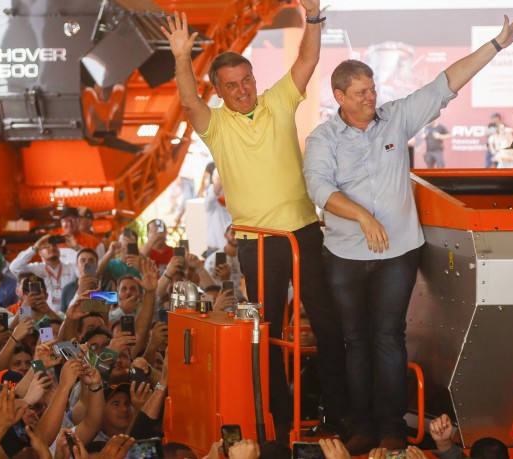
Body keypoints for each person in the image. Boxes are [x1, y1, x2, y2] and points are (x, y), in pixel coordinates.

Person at [303, 15, 513, 454]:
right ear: (340, 96)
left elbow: (447, 82)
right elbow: (319, 189)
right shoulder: (322, 138)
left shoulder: (396, 117)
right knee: (355, 339)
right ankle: (360, 425)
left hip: (399, 251)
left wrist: (497, 44)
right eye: (362, 92)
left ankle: (389, 428)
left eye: (373, 89)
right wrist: (363, 218)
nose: (372, 98)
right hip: (346, 253)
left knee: (387, 337)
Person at [162, 0, 349, 440]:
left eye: (246, 80)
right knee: (264, 332)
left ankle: (337, 416)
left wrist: (315, 15)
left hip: (305, 231)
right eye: (232, 85)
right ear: (221, 91)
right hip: (258, 241)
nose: (242, 89)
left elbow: (308, 59)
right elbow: (188, 101)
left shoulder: (278, 99)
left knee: (328, 323)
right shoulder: (217, 126)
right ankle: (277, 422)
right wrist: (181, 57)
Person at [9, 234, 78, 312]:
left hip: (69, 315)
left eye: (54, 245)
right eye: (46, 247)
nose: (51, 247)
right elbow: (14, 268)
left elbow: (88, 271)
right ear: (40, 253)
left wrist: (77, 248)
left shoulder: (71, 267)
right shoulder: (35, 268)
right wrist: (34, 247)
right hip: (43, 315)